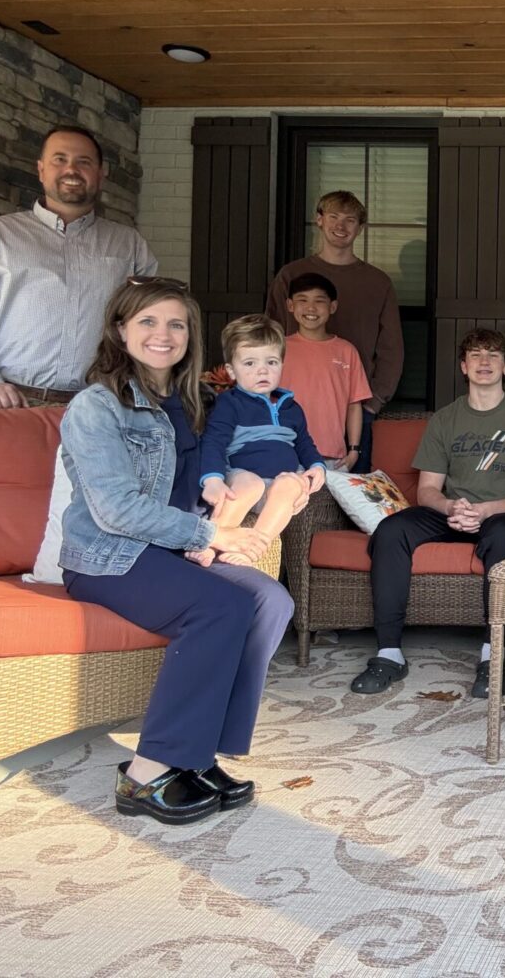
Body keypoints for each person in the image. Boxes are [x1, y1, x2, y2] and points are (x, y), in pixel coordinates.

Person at [57, 277, 293, 825]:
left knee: (270, 601)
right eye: (147, 321)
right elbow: (116, 509)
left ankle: (198, 755)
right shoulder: (98, 407)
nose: (163, 334)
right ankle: (145, 773)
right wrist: (213, 536)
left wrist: (258, 484)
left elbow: (221, 466)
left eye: (176, 324)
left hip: (171, 549)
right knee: (221, 606)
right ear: (119, 330)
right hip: (109, 557)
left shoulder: (194, 402)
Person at [351, 328, 505, 700]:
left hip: (503, 513)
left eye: (493, 355)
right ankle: (388, 653)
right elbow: (427, 489)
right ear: (463, 366)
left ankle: (494, 656)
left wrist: (487, 509)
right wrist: (449, 507)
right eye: (476, 355)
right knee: (392, 531)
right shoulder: (445, 419)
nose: (484, 361)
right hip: (453, 511)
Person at [0, 125, 157, 408]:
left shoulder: (129, 245)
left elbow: (151, 323)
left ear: (101, 173)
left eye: (84, 161)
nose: (72, 169)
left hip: (100, 406)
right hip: (13, 404)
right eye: (60, 159)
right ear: (41, 170)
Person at [266, 191, 403, 473]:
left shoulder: (377, 282)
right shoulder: (291, 275)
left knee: (350, 497)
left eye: (350, 220)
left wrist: (373, 403)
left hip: (354, 407)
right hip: (293, 407)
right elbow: (269, 338)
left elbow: (392, 347)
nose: (341, 226)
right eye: (333, 217)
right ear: (319, 220)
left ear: (360, 228)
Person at [193, 314, 327, 565]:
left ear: (282, 365)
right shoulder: (229, 403)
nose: (262, 370)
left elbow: (305, 444)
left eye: (271, 362)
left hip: (279, 487)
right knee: (249, 484)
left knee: (291, 483)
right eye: (250, 363)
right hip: (242, 476)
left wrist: (317, 467)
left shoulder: (292, 408)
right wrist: (212, 479)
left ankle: (256, 545)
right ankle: (210, 540)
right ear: (232, 371)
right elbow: (213, 441)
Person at [278, 272, 372, 469]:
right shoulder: (278, 349)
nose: (311, 308)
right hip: (286, 449)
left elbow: (354, 404)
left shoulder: (346, 351)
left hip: (333, 455)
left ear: (333, 307)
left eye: (319, 301)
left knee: (329, 502)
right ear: (290, 305)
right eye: (302, 300)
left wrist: (354, 449)